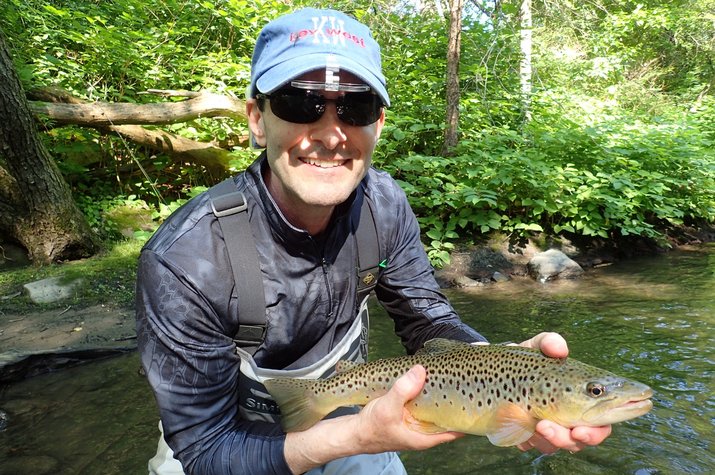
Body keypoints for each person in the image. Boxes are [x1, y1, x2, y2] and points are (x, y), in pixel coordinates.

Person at [136, 7, 611, 475]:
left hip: (351, 405)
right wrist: (356, 436)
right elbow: (204, 451)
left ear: (377, 124)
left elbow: (427, 321)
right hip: (223, 438)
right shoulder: (185, 260)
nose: (329, 133)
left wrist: (497, 366)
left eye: (355, 106)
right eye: (300, 103)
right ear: (257, 120)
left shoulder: (382, 204)